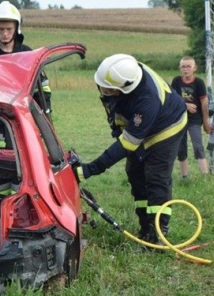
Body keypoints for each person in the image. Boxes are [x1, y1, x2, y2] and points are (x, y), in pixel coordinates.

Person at [74, 54, 188, 251]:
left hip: (167, 126)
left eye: (109, 90)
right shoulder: (119, 75)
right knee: (135, 175)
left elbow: (128, 144)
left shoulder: (146, 99)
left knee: (155, 179)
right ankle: (144, 229)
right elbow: (114, 107)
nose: (103, 91)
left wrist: (90, 169)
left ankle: (157, 237)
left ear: (124, 88)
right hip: (143, 124)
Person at [0, 0, 51, 194]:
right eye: (0, 29)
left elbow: (43, 88)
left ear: (16, 28)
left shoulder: (27, 54)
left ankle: (19, 202)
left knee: (20, 161)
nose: (4, 33)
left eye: (8, 28)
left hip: (20, 118)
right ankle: (2, 203)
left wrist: (45, 115)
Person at [172, 56, 212, 178]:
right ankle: (185, 177)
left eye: (188, 66)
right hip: (179, 119)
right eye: (183, 66)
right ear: (180, 68)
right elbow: (172, 101)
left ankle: (205, 176)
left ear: (194, 68)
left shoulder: (199, 83)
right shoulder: (176, 81)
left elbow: (204, 104)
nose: (186, 69)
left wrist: (206, 122)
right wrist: (185, 105)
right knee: (181, 147)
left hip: (195, 119)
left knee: (197, 145)